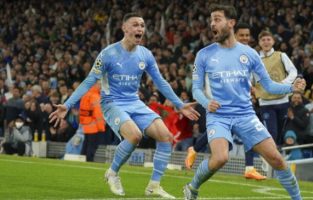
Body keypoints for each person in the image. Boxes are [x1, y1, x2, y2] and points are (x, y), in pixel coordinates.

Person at [49, 12, 200, 198]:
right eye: (135, 25)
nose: (140, 29)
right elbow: (89, 81)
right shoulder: (108, 54)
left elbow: (160, 82)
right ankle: (112, 173)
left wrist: (179, 104)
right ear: (124, 28)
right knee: (134, 136)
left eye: (142, 26)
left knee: (165, 137)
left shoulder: (145, 54)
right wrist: (67, 104)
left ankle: (154, 185)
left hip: (134, 102)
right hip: (111, 102)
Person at [183, 4, 305, 200]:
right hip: (219, 115)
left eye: (217, 19)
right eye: (211, 20)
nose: (212, 23)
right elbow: (196, 89)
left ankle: (298, 199)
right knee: (221, 158)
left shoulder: (249, 54)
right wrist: (206, 102)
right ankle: (193, 187)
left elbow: (269, 86)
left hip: (245, 114)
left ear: (231, 23)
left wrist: (292, 88)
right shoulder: (204, 54)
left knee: (276, 158)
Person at [185, 22, 266, 180]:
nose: (245, 38)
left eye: (247, 35)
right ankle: (194, 150)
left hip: (240, 103)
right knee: (225, 145)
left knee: (247, 134)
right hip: (216, 100)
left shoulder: (248, 54)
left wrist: (250, 88)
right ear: (234, 34)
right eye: (241, 35)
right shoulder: (215, 52)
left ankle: (249, 168)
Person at [255, 30, 298, 146]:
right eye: (263, 40)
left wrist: (283, 83)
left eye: (268, 39)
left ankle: (276, 159)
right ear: (259, 42)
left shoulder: (281, 55)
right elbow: (250, 78)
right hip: (265, 102)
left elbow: (293, 71)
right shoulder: (255, 60)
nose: (266, 42)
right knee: (271, 134)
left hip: (282, 99)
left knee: (280, 134)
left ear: (273, 41)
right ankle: (270, 162)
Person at [79, 81, 105, 162]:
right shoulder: (95, 96)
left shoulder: (86, 94)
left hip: (86, 125)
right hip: (94, 127)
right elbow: (98, 114)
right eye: (100, 84)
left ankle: (82, 162)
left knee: (85, 146)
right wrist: (101, 128)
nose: (101, 86)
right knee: (91, 147)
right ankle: (89, 162)